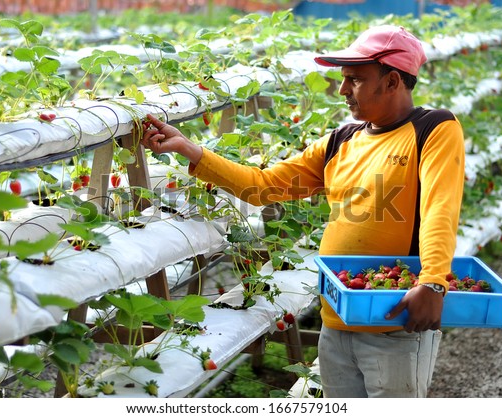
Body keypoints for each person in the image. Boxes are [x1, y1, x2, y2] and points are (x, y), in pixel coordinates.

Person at [141, 25, 465, 398]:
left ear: (392, 81)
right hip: (336, 319)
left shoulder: (433, 129)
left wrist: (433, 281)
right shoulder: (342, 141)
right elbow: (261, 187)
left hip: (394, 322)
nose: (342, 90)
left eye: (354, 80)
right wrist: (189, 150)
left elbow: (440, 207)